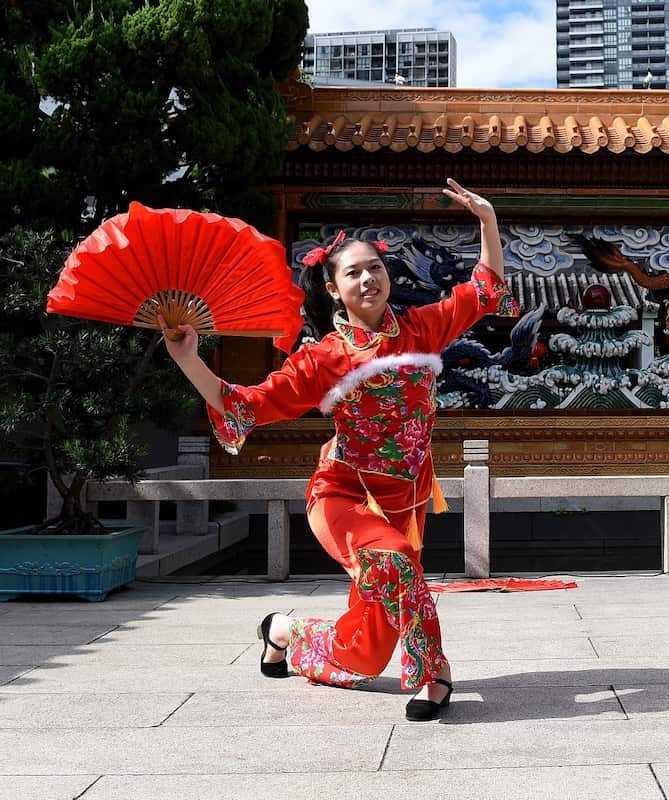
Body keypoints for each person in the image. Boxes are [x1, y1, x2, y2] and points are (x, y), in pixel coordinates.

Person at [166, 179, 518, 718]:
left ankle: (284, 631)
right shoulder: (323, 359)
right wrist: (188, 357)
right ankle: (434, 672)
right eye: (352, 272)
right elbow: (248, 402)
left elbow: (484, 289)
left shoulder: (423, 328)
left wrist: (487, 221)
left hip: (405, 503)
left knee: (366, 654)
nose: (367, 278)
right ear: (333, 289)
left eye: (374, 267)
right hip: (341, 495)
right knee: (397, 562)